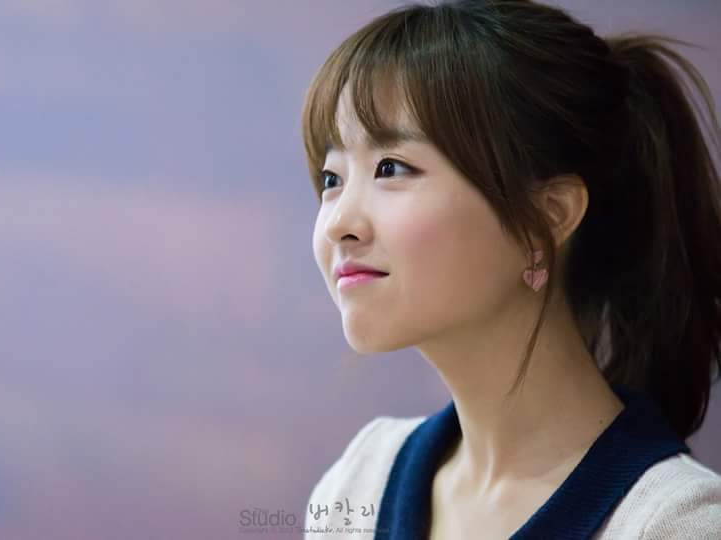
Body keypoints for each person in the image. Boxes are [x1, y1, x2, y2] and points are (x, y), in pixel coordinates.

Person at [299, 0, 721, 538]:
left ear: (548, 217)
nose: (339, 223)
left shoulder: (674, 523)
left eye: (391, 167)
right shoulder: (358, 487)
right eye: (332, 178)